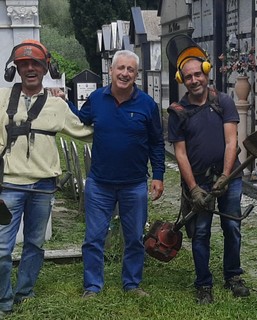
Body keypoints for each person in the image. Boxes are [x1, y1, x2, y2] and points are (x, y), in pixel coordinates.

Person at [0, 39, 93, 317]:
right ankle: (4, 300)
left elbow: (87, 131)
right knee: (2, 249)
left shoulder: (57, 106)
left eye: (35, 64)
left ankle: (25, 293)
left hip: (43, 187)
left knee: (34, 244)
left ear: (45, 68)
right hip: (9, 185)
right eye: (23, 64)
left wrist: (124, 125)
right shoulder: (2, 98)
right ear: (15, 69)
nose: (30, 68)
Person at [67, 50, 165, 298]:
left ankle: (131, 284)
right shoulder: (97, 99)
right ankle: (92, 286)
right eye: (120, 68)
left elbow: (156, 143)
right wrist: (62, 100)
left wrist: (158, 175)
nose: (124, 73)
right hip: (100, 184)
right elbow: (80, 119)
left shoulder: (147, 105)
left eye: (130, 69)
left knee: (133, 238)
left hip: (134, 184)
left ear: (136, 74)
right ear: (111, 71)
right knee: (93, 238)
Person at [166, 35, 250, 304]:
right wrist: (193, 188)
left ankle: (233, 276)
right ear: (182, 79)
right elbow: (180, 153)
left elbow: (231, 141)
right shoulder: (178, 112)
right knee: (200, 232)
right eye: (188, 77)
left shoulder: (223, 102)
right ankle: (204, 284)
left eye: (197, 75)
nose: (194, 81)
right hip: (198, 182)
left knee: (232, 228)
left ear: (205, 72)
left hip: (230, 178)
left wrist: (226, 176)